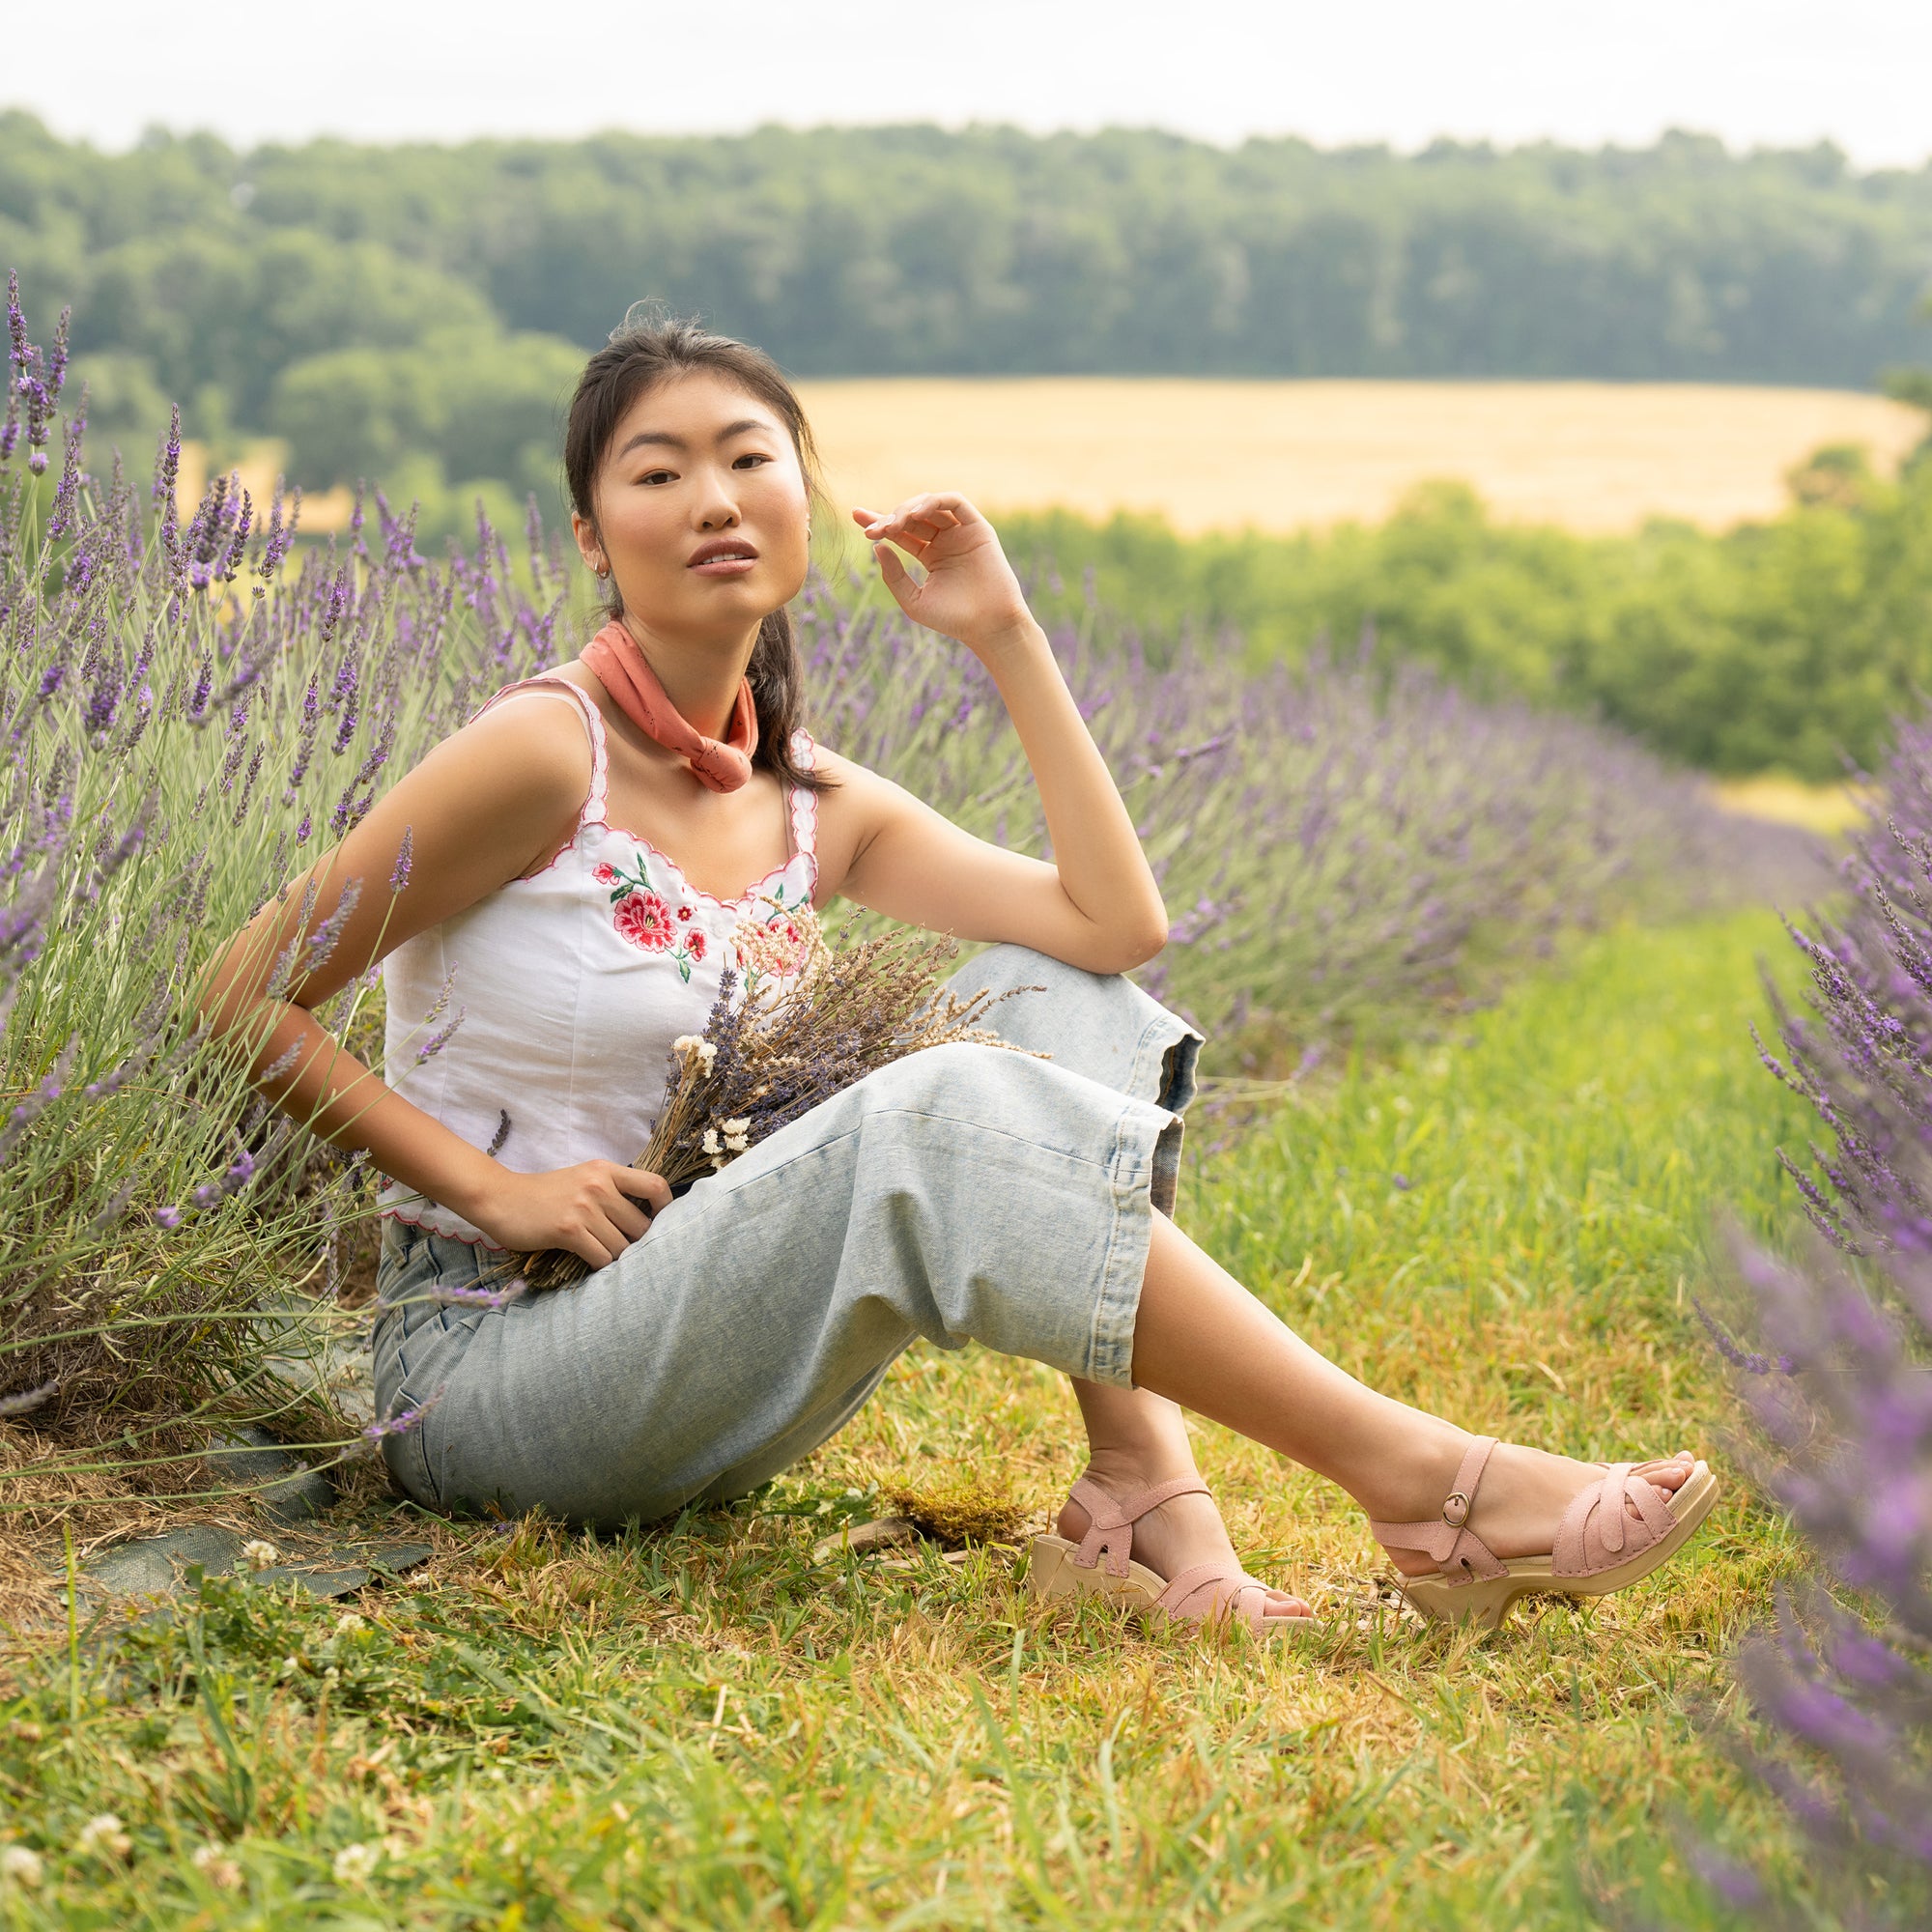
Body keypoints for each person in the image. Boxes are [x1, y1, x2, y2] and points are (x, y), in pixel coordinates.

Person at [203, 314, 1715, 1635]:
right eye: (656, 474)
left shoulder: (812, 804)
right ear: (593, 538)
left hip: (701, 1339)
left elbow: (1116, 932)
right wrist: (490, 1189)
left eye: (750, 459)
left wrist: (1004, 635)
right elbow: (235, 996)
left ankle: (1146, 1501)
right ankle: (1433, 1485)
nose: (714, 500)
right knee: (937, 1104)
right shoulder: (543, 756)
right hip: (485, 1372)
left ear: (807, 496)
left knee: (1064, 1008)